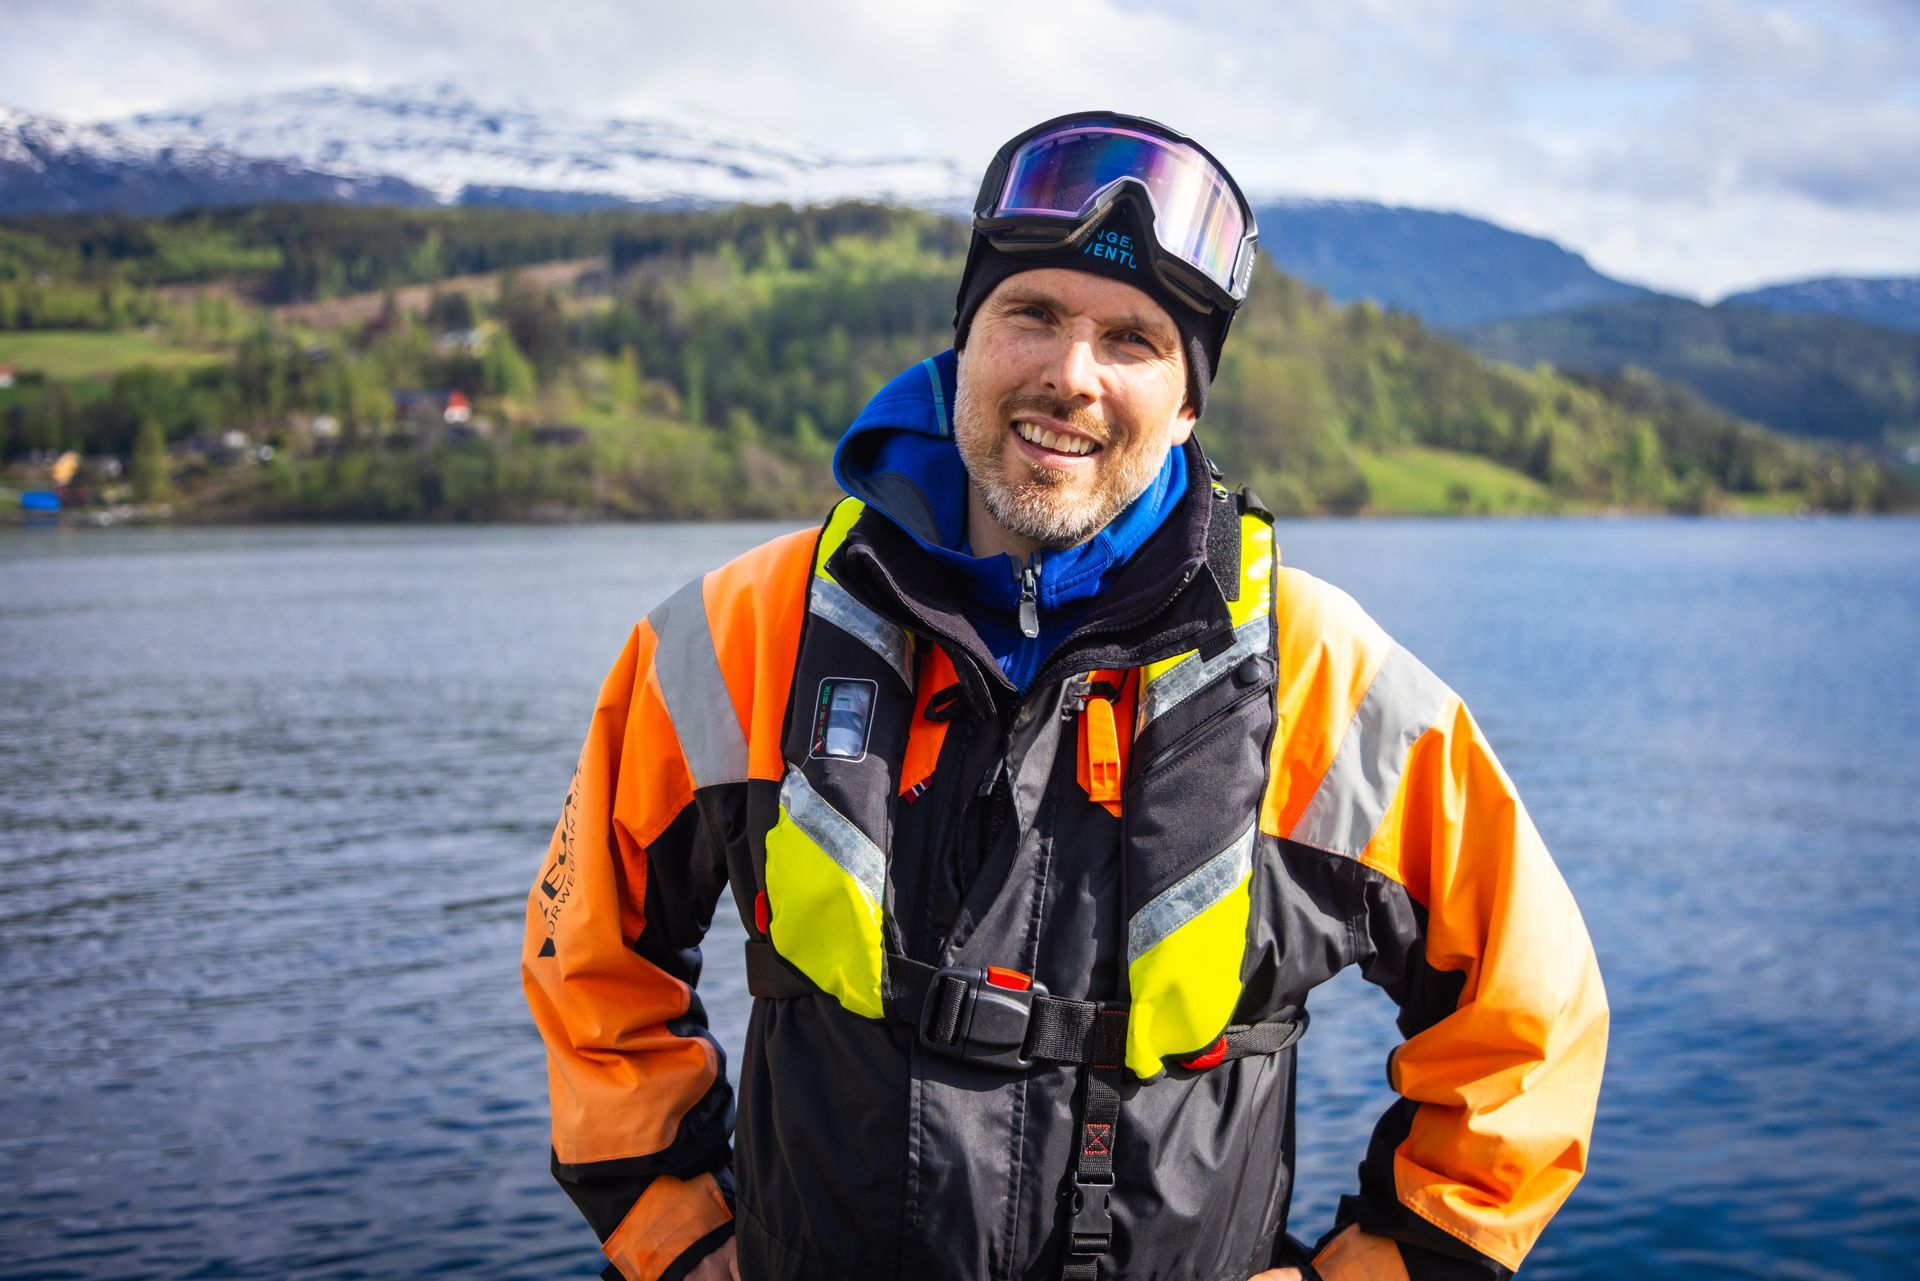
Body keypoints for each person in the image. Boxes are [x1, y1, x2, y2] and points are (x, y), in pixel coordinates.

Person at [522, 111, 1608, 1281]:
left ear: (1188, 403)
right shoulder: (743, 632)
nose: (1071, 376)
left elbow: (1529, 1022)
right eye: (1031, 314)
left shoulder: (1320, 675)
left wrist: (1378, 1269)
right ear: (965, 343)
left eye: (1134, 339)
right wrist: (676, 1237)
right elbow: (588, 959)